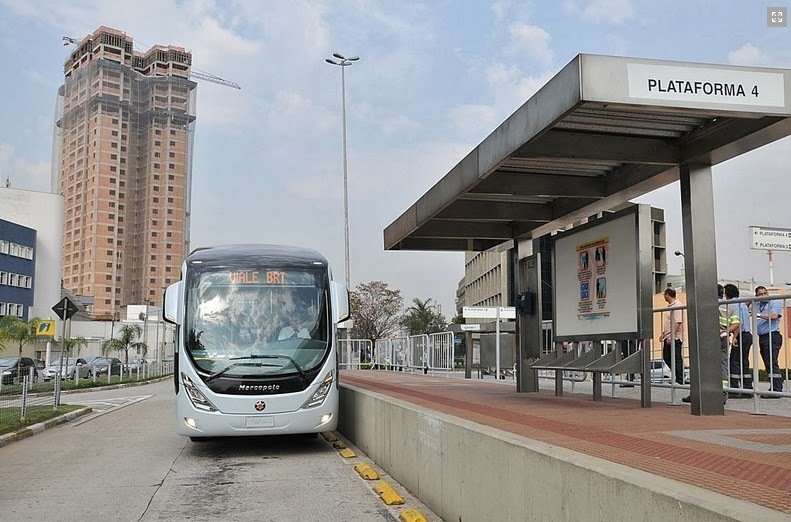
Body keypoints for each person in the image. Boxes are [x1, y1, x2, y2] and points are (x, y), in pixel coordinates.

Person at [683, 284, 731, 404]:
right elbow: (735, 322)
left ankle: (699, 392)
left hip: (709, 337)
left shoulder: (708, 304)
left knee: (701, 363)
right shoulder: (727, 305)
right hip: (724, 336)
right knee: (722, 364)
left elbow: (704, 321)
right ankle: (722, 393)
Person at [753, 286, 784, 395]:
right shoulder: (757, 304)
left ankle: (776, 388)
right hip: (762, 337)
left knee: (771, 361)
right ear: (756, 296)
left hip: (772, 335)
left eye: (765, 293)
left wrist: (757, 314)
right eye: (760, 294)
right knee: (768, 362)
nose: (763, 296)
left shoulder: (773, 302)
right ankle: (775, 385)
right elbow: (747, 304)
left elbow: (774, 315)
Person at [724, 284, 752, 398]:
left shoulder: (732, 304)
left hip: (740, 334)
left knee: (734, 361)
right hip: (747, 335)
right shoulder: (743, 304)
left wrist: (734, 337)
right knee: (744, 361)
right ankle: (747, 388)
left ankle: (734, 389)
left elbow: (738, 323)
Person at [660, 287, 684, 386]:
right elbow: (669, 323)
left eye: (664, 295)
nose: (663, 297)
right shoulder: (670, 306)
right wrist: (663, 334)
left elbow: (678, 322)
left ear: (667, 294)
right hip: (668, 336)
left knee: (676, 357)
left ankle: (680, 378)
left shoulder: (677, 306)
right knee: (667, 357)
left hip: (675, 337)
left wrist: (672, 336)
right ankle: (677, 375)